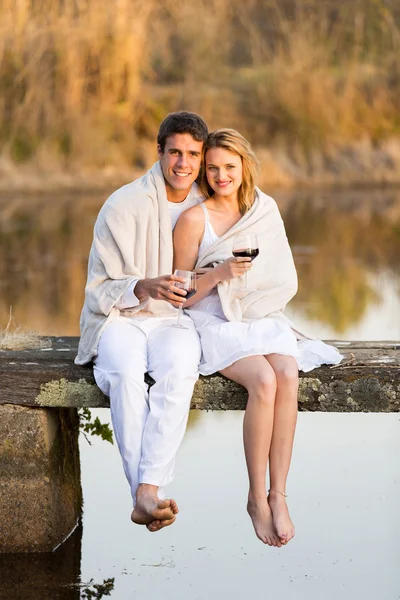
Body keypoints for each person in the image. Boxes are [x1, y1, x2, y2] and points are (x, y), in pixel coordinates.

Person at [173, 128, 342, 547]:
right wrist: (218, 274)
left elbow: (279, 274)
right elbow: (179, 295)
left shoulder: (262, 209)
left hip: (258, 315)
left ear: (244, 165)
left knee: (286, 372)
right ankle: (254, 496)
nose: (220, 175)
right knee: (263, 381)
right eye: (212, 168)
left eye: (229, 166)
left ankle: (279, 493)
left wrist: (246, 288)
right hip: (212, 318)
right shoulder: (195, 218)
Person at [75, 111, 208, 532]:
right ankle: (147, 492)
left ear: (202, 158)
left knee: (180, 370)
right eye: (175, 153)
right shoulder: (123, 204)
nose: (183, 164)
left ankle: (143, 494)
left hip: (174, 321)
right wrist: (144, 286)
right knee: (126, 374)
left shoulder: (206, 207)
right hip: (122, 318)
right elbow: (98, 290)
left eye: (193, 154)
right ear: (159, 152)